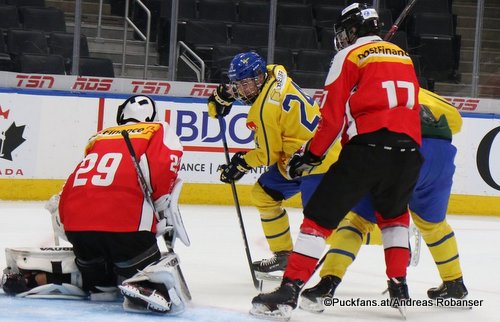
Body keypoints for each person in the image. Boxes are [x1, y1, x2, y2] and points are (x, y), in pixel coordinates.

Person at [250, 3, 423, 320]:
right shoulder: (403, 56)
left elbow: (330, 119)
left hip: (368, 147)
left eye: (344, 31)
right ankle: (399, 287)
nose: (341, 38)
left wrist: (311, 156)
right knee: (394, 219)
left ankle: (288, 292)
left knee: (318, 219)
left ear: (354, 30)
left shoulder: (349, 56)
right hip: (409, 152)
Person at [1, 95, 188, 315]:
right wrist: (158, 212)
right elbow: (164, 169)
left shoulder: (99, 137)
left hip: (77, 227)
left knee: (101, 282)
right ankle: (145, 283)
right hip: (125, 227)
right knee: (143, 264)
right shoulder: (159, 129)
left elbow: (74, 187)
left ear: (121, 115)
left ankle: (41, 277)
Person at [300, 88, 469, 312]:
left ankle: (327, 284)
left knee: (358, 221)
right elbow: (456, 122)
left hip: (403, 151)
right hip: (441, 156)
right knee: (433, 224)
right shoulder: (416, 90)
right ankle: (454, 283)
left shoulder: (366, 89)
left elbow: (349, 129)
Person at [207, 51, 341, 280]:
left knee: (318, 222)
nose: (242, 90)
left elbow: (267, 155)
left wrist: (240, 164)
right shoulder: (275, 72)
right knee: (264, 194)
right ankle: (283, 255)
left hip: (318, 161)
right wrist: (226, 94)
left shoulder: (263, 110)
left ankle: (366, 243)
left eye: (246, 84)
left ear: (259, 78)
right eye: (237, 84)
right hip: (302, 156)